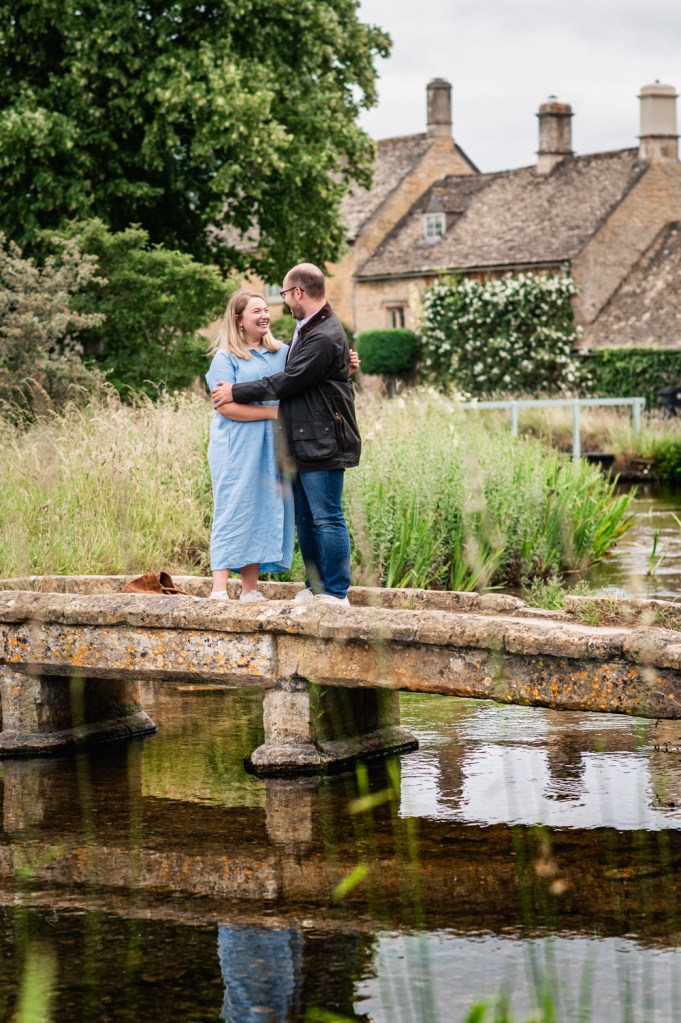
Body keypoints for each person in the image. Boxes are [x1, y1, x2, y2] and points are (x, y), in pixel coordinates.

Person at [211, 263, 361, 606]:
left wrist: (238, 391)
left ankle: (336, 593)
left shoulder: (322, 334)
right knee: (307, 520)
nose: (274, 309)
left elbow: (289, 380)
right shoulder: (307, 329)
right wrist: (344, 367)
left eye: (278, 298)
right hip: (302, 442)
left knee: (327, 517)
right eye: (259, 309)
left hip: (322, 439)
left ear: (298, 293)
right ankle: (315, 588)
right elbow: (309, 376)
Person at [205, 291, 295, 602]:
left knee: (261, 508)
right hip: (236, 445)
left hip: (270, 446)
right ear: (239, 320)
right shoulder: (225, 358)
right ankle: (218, 589)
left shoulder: (281, 352)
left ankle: (249, 590)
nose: (265, 315)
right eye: (256, 310)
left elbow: (309, 374)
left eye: (266, 309)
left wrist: (346, 370)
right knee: (233, 508)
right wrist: (274, 412)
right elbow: (226, 408)